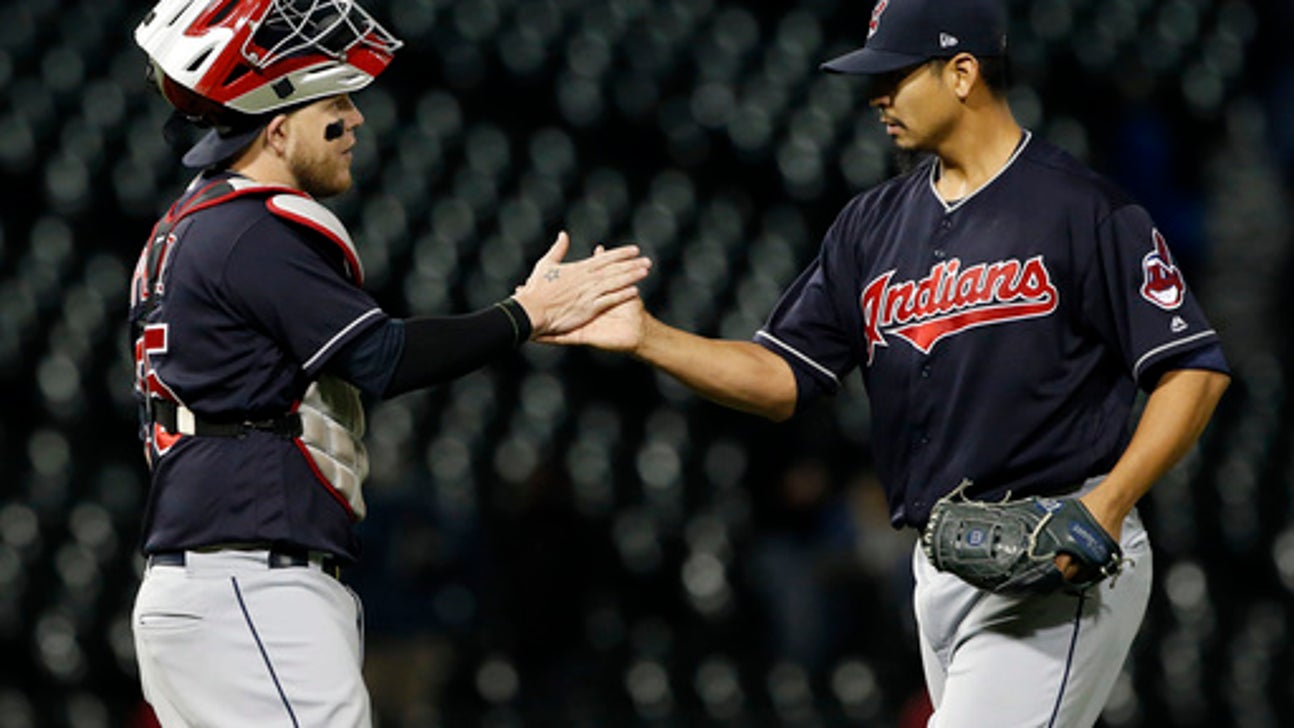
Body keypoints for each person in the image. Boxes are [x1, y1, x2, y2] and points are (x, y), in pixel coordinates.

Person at [548, 0, 1230, 725]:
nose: (877, 96)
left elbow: (1193, 366)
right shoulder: (871, 225)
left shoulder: (1081, 208)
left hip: (1055, 554)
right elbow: (781, 377)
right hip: (940, 562)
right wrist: (647, 336)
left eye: (895, 76)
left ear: (962, 73)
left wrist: (1108, 503)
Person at [126, 0, 651, 724]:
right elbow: (383, 357)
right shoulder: (249, 229)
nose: (356, 120)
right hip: (249, 580)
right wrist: (526, 313)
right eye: (334, 104)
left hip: (216, 579)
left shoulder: (193, 223)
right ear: (277, 129)